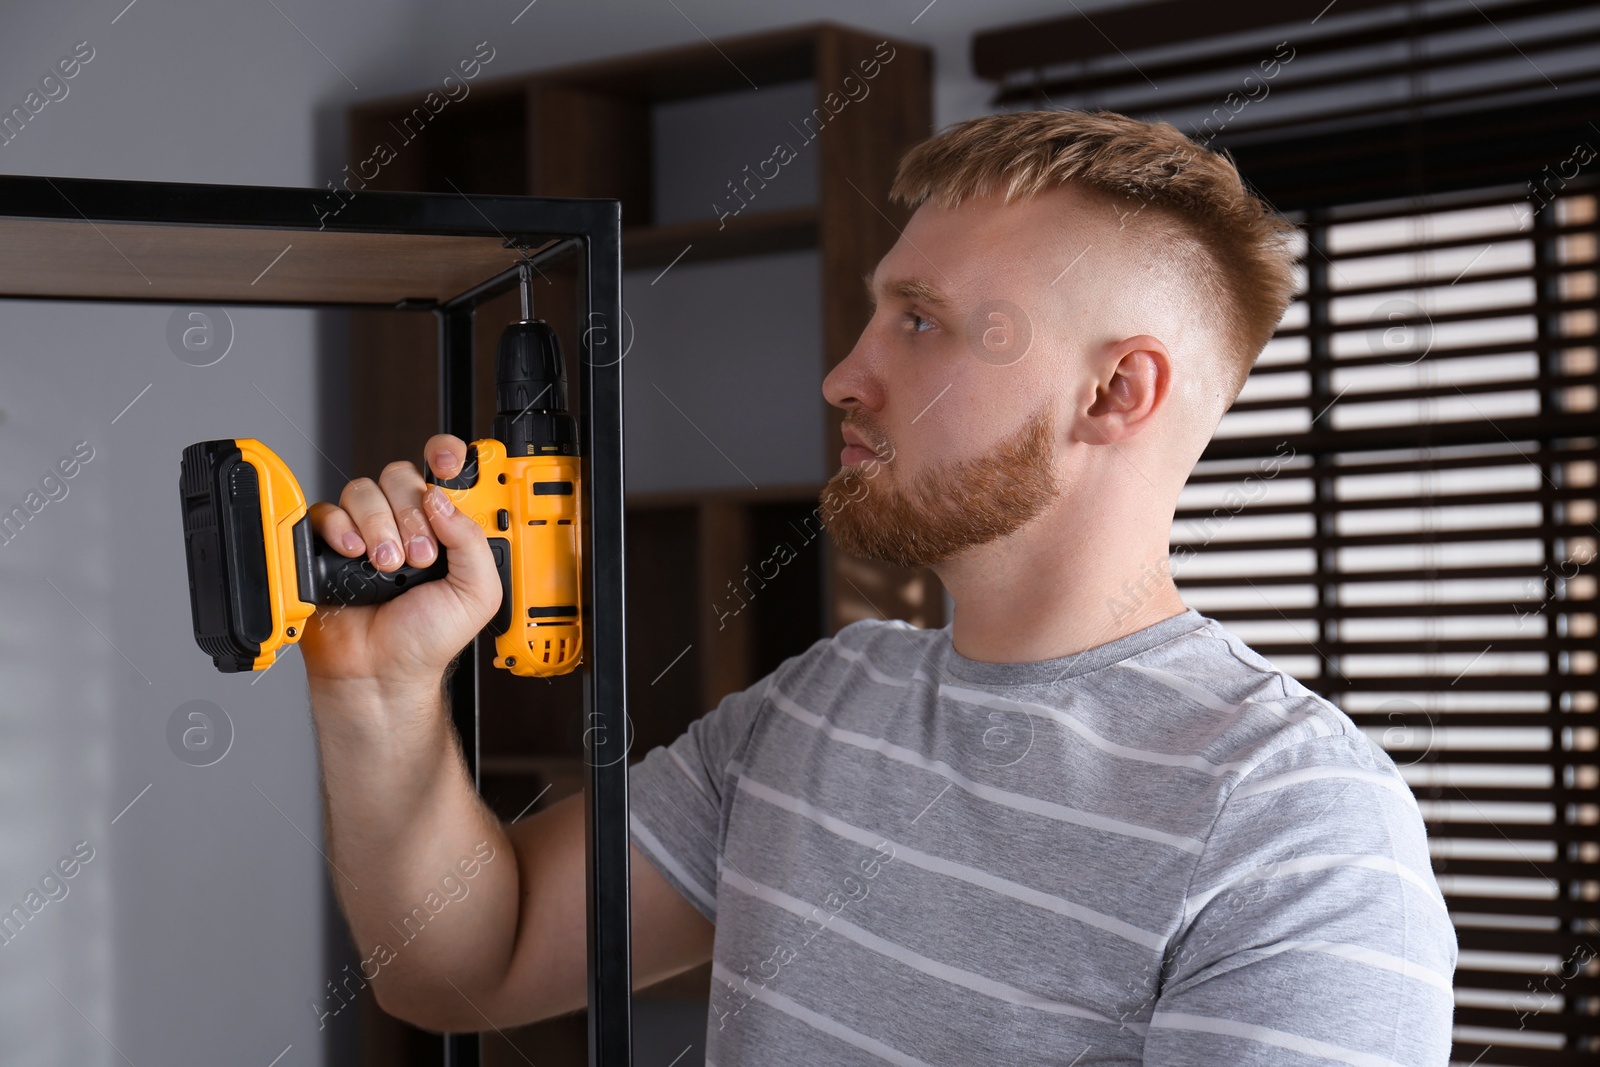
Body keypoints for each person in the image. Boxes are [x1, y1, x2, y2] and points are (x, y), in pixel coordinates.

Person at [301, 108, 1457, 1065]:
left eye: (921, 321)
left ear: (1116, 393)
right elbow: (471, 961)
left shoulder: (1294, 829)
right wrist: (381, 694)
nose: (843, 373)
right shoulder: (819, 700)